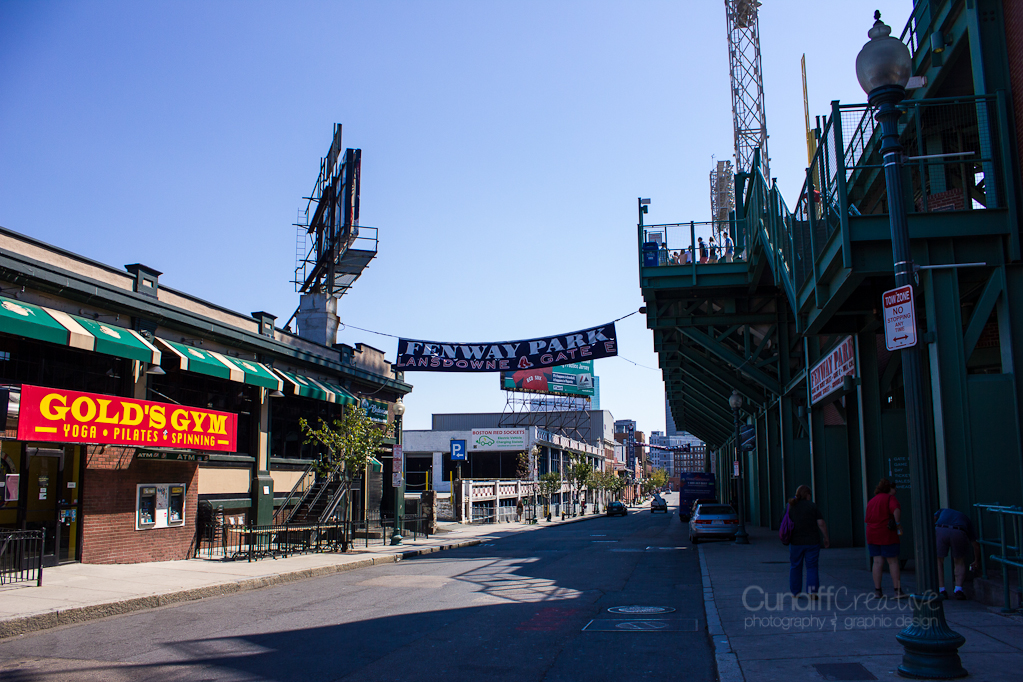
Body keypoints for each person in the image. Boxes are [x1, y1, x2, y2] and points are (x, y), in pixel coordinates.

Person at [788, 484, 830, 597]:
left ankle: (795, 592)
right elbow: (821, 523)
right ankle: (812, 592)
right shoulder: (812, 506)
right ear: (807, 495)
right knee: (812, 567)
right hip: (812, 542)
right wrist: (826, 537)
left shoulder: (790, 506)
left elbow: (783, 521)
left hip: (795, 542)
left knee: (795, 566)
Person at [864, 478, 903, 598]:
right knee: (893, 561)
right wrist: (898, 524)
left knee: (877, 561)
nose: (895, 490)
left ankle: (878, 590)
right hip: (886, 533)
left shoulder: (872, 500)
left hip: (872, 533)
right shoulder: (891, 498)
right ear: (889, 488)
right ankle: (897, 590)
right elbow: (896, 509)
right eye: (894, 488)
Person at [934, 507, 982, 600]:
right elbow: (976, 545)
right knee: (959, 561)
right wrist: (977, 561)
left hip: (941, 529)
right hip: (959, 530)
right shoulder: (965, 519)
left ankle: (941, 590)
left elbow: (934, 519)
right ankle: (958, 590)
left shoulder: (942, 511)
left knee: (939, 560)